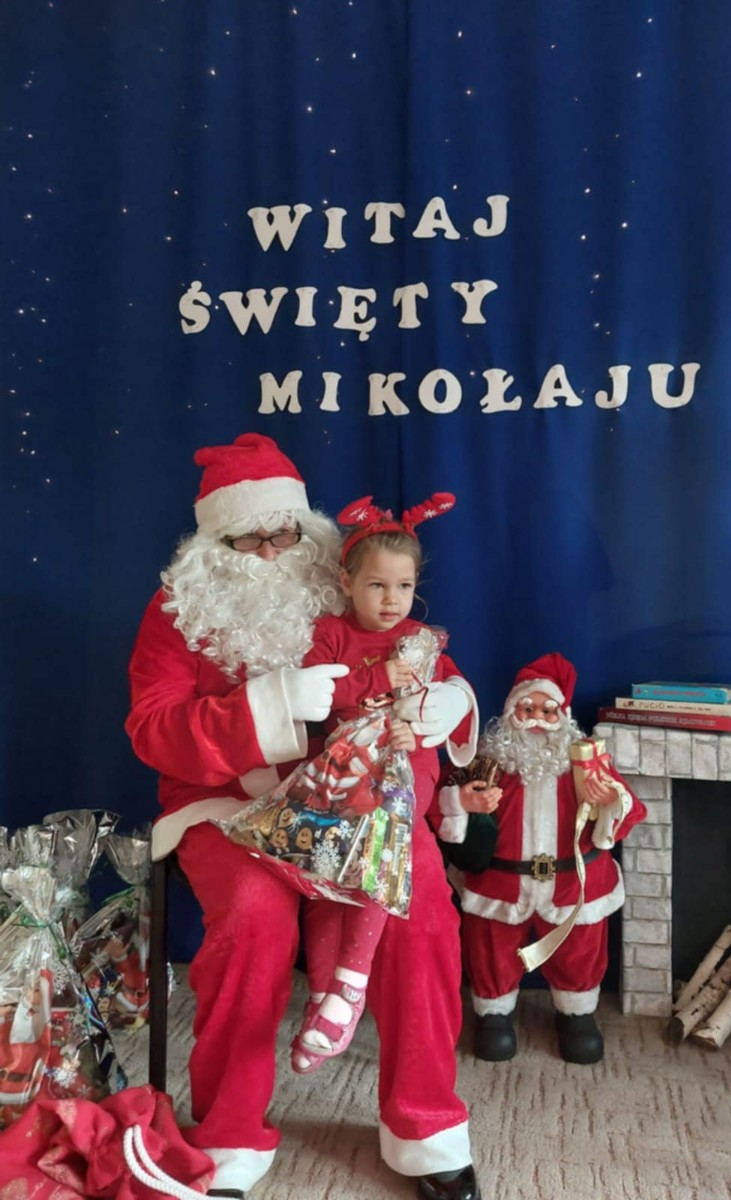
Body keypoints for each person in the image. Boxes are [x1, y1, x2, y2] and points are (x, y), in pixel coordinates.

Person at [125, 432, 483, 1200]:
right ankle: (229, 1131)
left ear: (307, 528)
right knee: (254, 917)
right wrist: (267, 707)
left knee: (420, 901)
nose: (270, 550)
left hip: (355, 802)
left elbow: (416, 654)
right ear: (213, 543)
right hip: (229, 803)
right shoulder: (179, 609)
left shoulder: (344, 581)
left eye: (284, 532)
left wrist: (453, 700)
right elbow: (152, 728)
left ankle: (424, 1125)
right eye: (248, 537)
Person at [291, 491, 473, 1069]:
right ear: (347, 582)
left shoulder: (423, 640)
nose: (392, 599)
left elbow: (450, 701)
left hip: (401, 766)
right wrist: (375, 677)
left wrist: (418, 724)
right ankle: (321, 997)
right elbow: (315, 700)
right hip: (341, 766)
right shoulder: (330, 634)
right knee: (324, 877)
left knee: (380, 848)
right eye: (376, 585)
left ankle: (350, 983)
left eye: (404, 585)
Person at [434, 653, 646, 1064]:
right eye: (526, 709)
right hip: (500, 885)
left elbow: (630, 809)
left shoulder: (585, 766)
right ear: (509, 713)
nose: (536, 719)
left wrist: (609, 801)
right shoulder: (485, 762)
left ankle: (577, 1015)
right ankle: (494, 1014)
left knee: (579, 948)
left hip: (571, 884)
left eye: (547, 711)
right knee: (491, 947)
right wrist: (462, 801)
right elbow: (436, 800)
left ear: (562, 717)